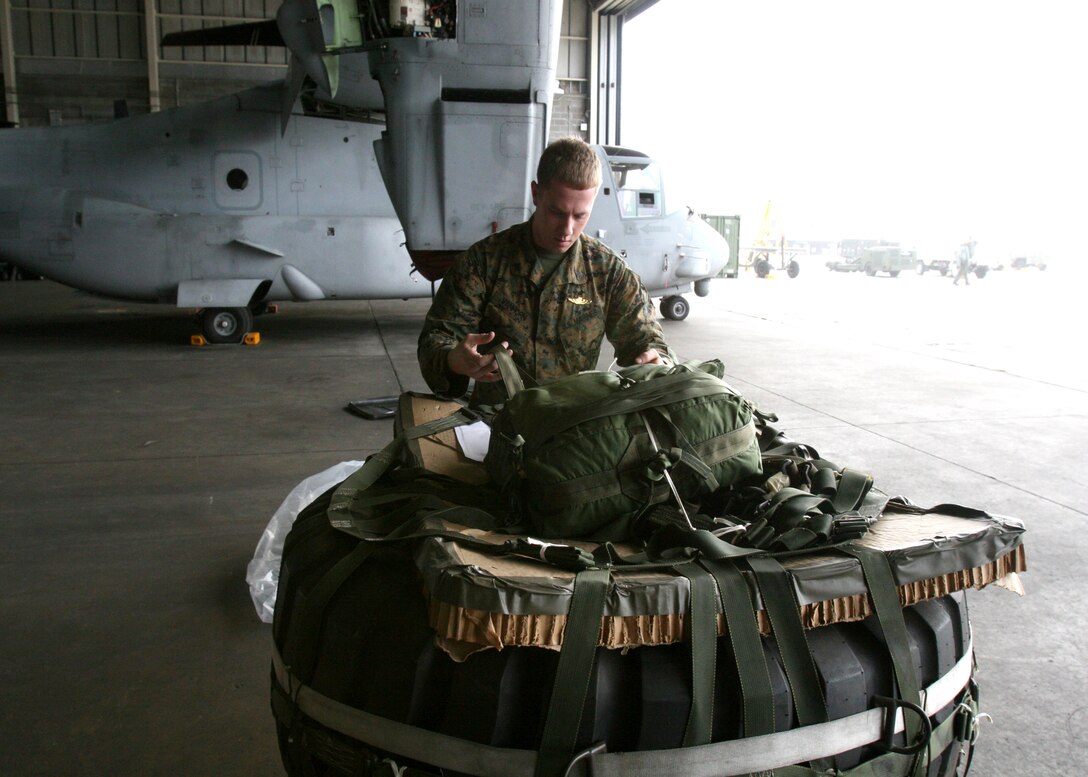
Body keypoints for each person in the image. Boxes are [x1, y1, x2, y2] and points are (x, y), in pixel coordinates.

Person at [417, 137, 671, 406]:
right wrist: (454, 360)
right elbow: (436, 340)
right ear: (536, 194)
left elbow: (646, 341)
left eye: (580, 216)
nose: (567, 229)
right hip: (498, 425)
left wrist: (656, 359)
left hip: (574, 427)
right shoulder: (482, 263)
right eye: (557, 212)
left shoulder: (608, 273)